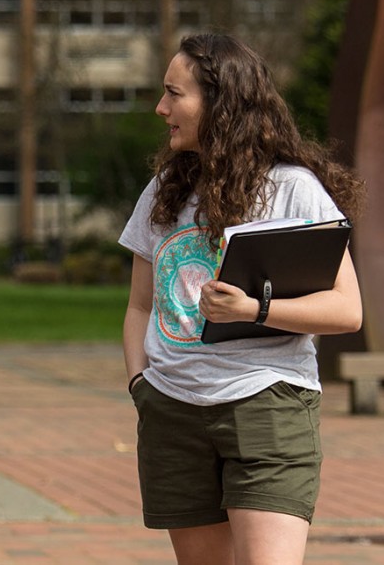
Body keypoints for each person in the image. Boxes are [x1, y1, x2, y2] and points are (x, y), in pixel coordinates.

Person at [119, 33, 365, 565]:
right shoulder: (165, 189)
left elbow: (346, 310)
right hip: (171, 412)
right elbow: (140, 305)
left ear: (221, 101)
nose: (161, 109)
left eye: (173, 94)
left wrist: (253, 310)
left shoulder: (292, 189)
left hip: (266, 405)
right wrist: (142, 385)